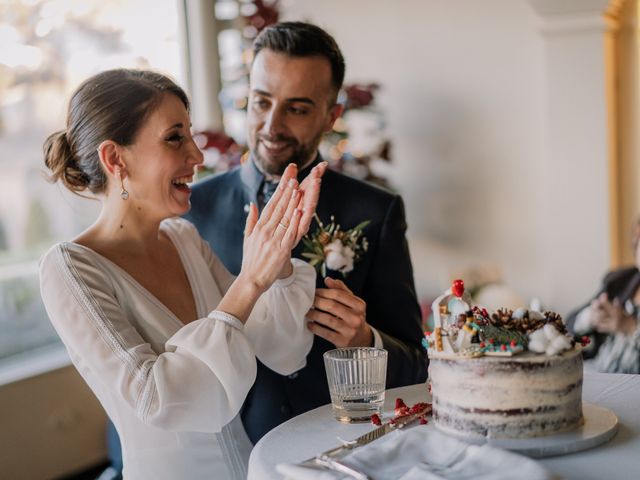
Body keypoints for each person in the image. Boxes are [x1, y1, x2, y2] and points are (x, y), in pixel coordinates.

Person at [39, 68, 328, 479]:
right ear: (115, 158)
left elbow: (281, 350)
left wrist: (277, 265)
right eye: (175, 137)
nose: (197, 155)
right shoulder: (70, 268)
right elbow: (156, 399)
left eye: (190, 134)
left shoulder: (184, 238)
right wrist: (250, 282)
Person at [185, 21, 428, 443]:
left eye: (296, 109)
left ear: (332, 115)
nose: (271, 125)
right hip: (222, 449)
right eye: (261, 102)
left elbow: (415, 363)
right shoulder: (192, 209)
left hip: (337, 444)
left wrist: (363, 338)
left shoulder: (376, 210)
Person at [566, 218, 640, 374]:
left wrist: (631, 327)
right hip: (597, 373)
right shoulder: (620, 280)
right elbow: (569, 324)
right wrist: (591, 317)